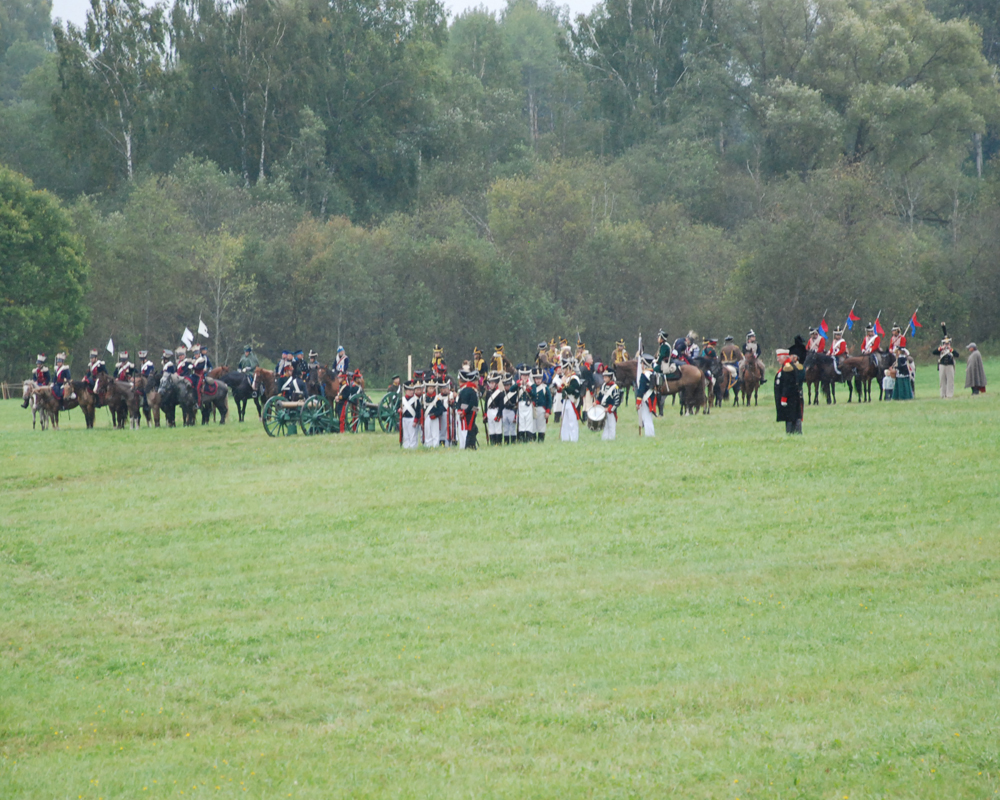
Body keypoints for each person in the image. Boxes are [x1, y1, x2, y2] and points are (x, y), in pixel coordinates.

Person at [774, 349, 805, 434]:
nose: (778, 360)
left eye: (779, 358)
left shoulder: (788, 368)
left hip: (789, 397)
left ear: (784, 357)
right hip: (791, 396)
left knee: (790, 416)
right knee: (793, 415)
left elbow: (787, 384)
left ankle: (792, 432)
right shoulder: (787, 366)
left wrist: (784, 397)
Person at [456, 368, 480, 449]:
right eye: (477, 381)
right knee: (470, 430)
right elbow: (473, 405)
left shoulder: (463, 390)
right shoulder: (473, 391)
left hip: (464, 412)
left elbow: (459, 403)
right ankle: (470, 446)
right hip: (470, 413)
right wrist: (467, 411)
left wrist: (461, 410)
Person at [933, 324, 958, 398]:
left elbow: (957, 355)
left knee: (950, 381)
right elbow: (934, 352)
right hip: (942, 365)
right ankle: (942, 394)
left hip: (950, 365)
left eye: (947, 343)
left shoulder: (951, 350)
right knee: (942, 381)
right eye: (945, 343)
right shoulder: (941, 349)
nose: (946, 344)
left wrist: (951, 349)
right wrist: (941, 348)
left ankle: (949, 394)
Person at [597, 368, 621, 441]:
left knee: (611, 425)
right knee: (605, 425)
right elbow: (600, 397)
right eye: (604, 377)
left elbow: (616, 401)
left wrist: (610, 408)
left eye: (606, 377)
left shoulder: (615, 387)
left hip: (611, 410)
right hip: (603, 409)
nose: (604, 379)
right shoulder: (603, 385)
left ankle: (611, 439)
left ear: (610, 377)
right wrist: (596, 402)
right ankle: (605, 438)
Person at [560, 359, 582, 442]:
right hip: (565, 401)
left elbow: (571, 390)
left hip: (572, 401)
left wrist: (564, 383)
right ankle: (565, 439)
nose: (563, 371)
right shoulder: (566, 378)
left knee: (572, 422)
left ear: (568, 368)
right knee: (564, 422)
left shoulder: (574, 378)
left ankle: (574, 439)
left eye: (564, 369)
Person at [636, 353, 656, 436]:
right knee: (649, 418)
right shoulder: (653, 373)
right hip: (652, 398)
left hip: (646, 398)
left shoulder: (644, 375)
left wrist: (638, 402)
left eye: (642, 363)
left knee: (646, 418)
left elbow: (641, 390)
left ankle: (649, 435)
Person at [530, 369, 552, 443]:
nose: (538, 380)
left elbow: (549, 400)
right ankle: (533, 440)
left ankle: (540, 441)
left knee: (541, 426)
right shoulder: (531, 387)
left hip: (541, 409)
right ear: (534, 379)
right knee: (533, 426)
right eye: (536, 379)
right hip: (533, 409)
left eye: (539, 378)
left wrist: (548, 411)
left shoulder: (545, 388)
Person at [484, 372, 504, 446]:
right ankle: (492, 443)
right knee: (491, 428)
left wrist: (499, 415)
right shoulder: (488, 393)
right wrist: (485, 414)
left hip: (496, 411)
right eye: (490, 383)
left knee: (498, 428)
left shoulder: (500, 393)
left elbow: (501, 405)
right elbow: (486, 404)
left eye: (492, 383)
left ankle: (498, 443)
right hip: (489, 411)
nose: (491, 385)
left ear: (496, 383)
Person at [399, 381, 420, 449]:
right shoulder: (402, 399)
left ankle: (413, 447)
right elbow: (398, 408)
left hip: (412, 419)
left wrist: (416, 420)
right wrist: (399, 410)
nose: (411, 392)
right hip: (404, 418)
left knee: (413, 434)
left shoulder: (416, 400)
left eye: (412, 390)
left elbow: (418, 411)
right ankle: (406, 446)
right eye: (409, 390)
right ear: (406, 391)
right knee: (406, 434)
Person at [517, 368, 535, 442]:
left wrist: (529, 389)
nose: (525, 377)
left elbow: (534, 394)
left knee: (528, 421)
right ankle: (521, 438)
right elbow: (512, 389)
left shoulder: (531, 384)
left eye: (526, 375)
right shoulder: (519, 384)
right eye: (523, 375)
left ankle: (528, 438)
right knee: (521, 422)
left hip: (528, 405)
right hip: (520, 405)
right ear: (521, 376)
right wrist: (518, 384)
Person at [422, 380, 443, 447]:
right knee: (427, 432)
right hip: (427, 417)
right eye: (429, 388)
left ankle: (435, 445)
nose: (431, 390)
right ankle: (428, 445)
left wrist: (435, 414)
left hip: (434, 417)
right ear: (427, 389)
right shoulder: (424, 397)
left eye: (432, 388)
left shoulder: (437, 398)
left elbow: (440, 409)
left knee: (435, 432)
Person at [502, 372, 517, 445]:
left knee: (512, 428)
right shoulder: (503, 393)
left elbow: (516, 404)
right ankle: (506, 442)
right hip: (505, 411)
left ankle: (513, 442)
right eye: (505, 385)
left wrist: (516, 415)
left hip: (512, 411)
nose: (506, 387)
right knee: (505, 429)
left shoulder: (514, 392)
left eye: (507, 385)